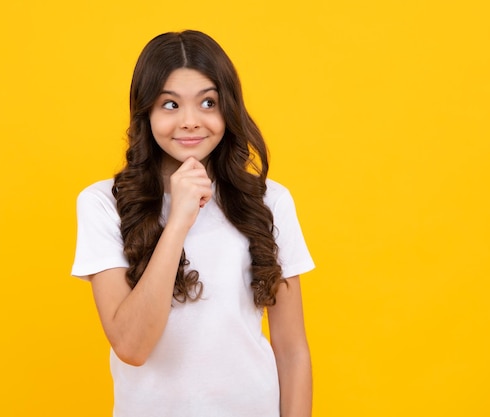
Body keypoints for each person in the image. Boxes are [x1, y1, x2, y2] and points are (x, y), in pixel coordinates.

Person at [72, 30, 315, 417]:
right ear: (146, 111)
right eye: (170, 104)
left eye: (207, 102)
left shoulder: (270, 201)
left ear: (227, 109)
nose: (190, 121)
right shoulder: (103, 203)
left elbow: (292, 351)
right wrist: (179, 220)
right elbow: (132, 347)